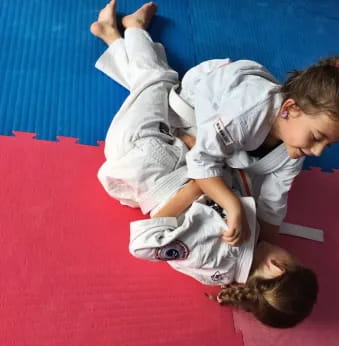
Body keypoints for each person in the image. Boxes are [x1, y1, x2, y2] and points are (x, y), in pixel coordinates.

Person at [90, 0, 318, 328]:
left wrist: (201, 179)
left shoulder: (219, 255)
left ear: (278, 267)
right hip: (167, 162)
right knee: (159, 95)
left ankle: (134, 29)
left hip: (145, 157)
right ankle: (111, 37)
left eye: (292, 259)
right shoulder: (225, 269)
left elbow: (144, 241)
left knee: (159, 81)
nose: (287, 251)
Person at [166, 18, 339, 249]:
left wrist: (265, 250)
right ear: (290, 108)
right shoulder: (244, 115)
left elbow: (272, 202)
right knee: (157, 93)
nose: (318, 152)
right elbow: (201, 162)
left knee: (246, 182)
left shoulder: (295, 147)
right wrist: (233, 206)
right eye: (317, 137)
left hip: (242, 123)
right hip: (201, 93)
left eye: (328, 145)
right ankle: (128, 34)